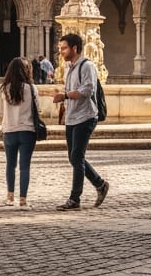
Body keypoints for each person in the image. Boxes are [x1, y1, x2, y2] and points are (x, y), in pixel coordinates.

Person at [52, 32, 110, 210]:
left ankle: (75, 199)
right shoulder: (70, 67)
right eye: (60, 48)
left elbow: (87, 89)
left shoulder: (87, 66)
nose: (61, 51)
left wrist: (65, 95)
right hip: (72, 117)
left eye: (64, 48)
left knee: (77, 157)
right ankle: (100, 184)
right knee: (74, 157)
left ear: (74, 48)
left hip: (86, 117)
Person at [0, 57, 40, 209]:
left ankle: (9, 197)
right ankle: (23, 200)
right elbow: (38, 109)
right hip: (27, 131)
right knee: (24, 166)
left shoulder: (4, 89)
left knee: (10, 164)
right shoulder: (32, 89)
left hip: (9, 131)